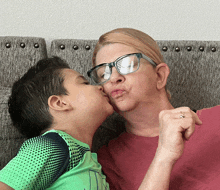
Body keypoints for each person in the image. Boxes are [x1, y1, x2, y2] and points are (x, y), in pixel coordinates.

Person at [0, 56, 199, 190]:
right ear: (60, 103)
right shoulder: (52, 146)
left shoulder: (88, 159)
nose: (100, 87)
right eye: (84, 83)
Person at [88, 28, 220, 190]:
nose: (114, 78)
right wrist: (164, 155)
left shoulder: (216, 118)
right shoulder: (106, 162)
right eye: (103, 74)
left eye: (127, 65)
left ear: (160, 76)